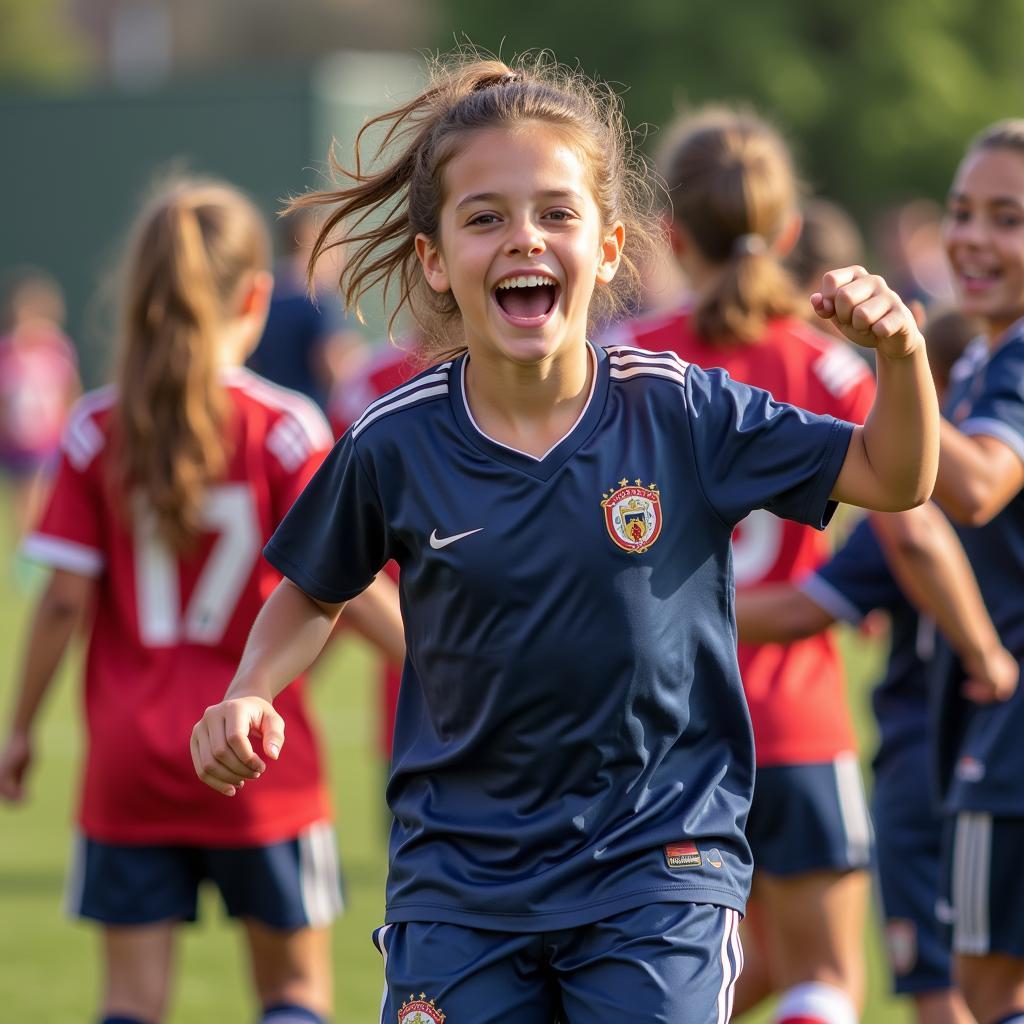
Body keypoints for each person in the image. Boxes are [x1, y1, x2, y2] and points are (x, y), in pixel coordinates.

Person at [190, 54, 938, 1024]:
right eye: (485, 217)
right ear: (433, 258)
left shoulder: (681, 410)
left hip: (656, 867)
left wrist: (904, 357)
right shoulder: (394, 440)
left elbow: (894, 474)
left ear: (611, 243)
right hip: (459, 883)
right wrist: (250, 686)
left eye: (555, 212)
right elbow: (314, 585)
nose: (523, 240)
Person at [0, 178, 398, 1024]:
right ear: (257, 296)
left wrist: (22, 728)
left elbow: (65, 603)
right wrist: (460, 669)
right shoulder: (287, 427)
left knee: (133, 1002)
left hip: (128, 759)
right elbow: (352, 589)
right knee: (293, 994)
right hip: (261, 753)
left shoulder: (94, 430)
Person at [611, 106, 878, 1024]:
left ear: (671, 235)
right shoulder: (830, 366)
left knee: (680, 976)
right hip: (797, 715)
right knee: (825, 979)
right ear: (791, 231)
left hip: (663, 726)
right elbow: (910, 517)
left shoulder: (628, 361)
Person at [733, 310, 998, 1024]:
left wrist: (660, 600)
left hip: (920, 755)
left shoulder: (649, 361)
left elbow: (809, 605)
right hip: (953, 747)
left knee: (931, 985)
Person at [926, 120, 1024, 1024]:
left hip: (1009, 746)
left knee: (989, 994)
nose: (974, 238)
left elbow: (982, 484)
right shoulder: (983, 365)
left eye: (1008, 217)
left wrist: (885, 364)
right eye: (962, 212)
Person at [247, 209, 367, 411]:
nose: (341, 258)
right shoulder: (320, 299)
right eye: (336, 245)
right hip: (312, 424)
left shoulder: (261, 292)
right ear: (314, 238)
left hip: (268, 422)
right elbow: (337, 368)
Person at [0, 267, 80, 565]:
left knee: (42, 496)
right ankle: (24, 554)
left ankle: (39, 548)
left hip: (46, 439)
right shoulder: (7, 353)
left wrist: (69, 422)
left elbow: (68, 391)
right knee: (19, 499)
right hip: (15, 441)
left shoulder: (57, 351)